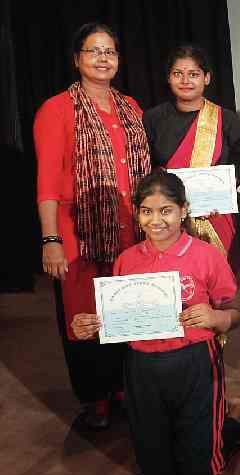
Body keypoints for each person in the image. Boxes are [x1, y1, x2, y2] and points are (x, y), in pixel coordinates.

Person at [71, 170, 240, 475]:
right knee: (155, 473)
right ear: (138, 213)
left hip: (195, 362)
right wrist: (92, 325)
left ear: (183, 210)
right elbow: (117, 319)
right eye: (146, 211)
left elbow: (234, 315)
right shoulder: (126, 261)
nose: (156, 220)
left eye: (166, 210)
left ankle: (231, 420)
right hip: (142, 366)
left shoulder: (207, 256)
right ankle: (209, 425)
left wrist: (217, 319)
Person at [35, 22, 152, 430]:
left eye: (110, 52)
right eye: (93, 51)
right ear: (77, 59)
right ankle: (95, 398)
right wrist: (50, 239)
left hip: (131, 230)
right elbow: (48, 182)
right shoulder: (56, 109)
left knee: (126, 308)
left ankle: (125, 388)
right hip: (79, 232)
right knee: (85, 314)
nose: (103, 59)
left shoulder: (131, 107)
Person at [143, 44, 240, 259]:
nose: (185, 81)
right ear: (169, 78)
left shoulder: (225, 119)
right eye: (178, 74)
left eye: (193, 74)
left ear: (206, 78)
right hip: (167, 214)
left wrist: (218, 197)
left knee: (215, 280)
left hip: (215, 215)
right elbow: (146, 165)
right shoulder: (153, 118)